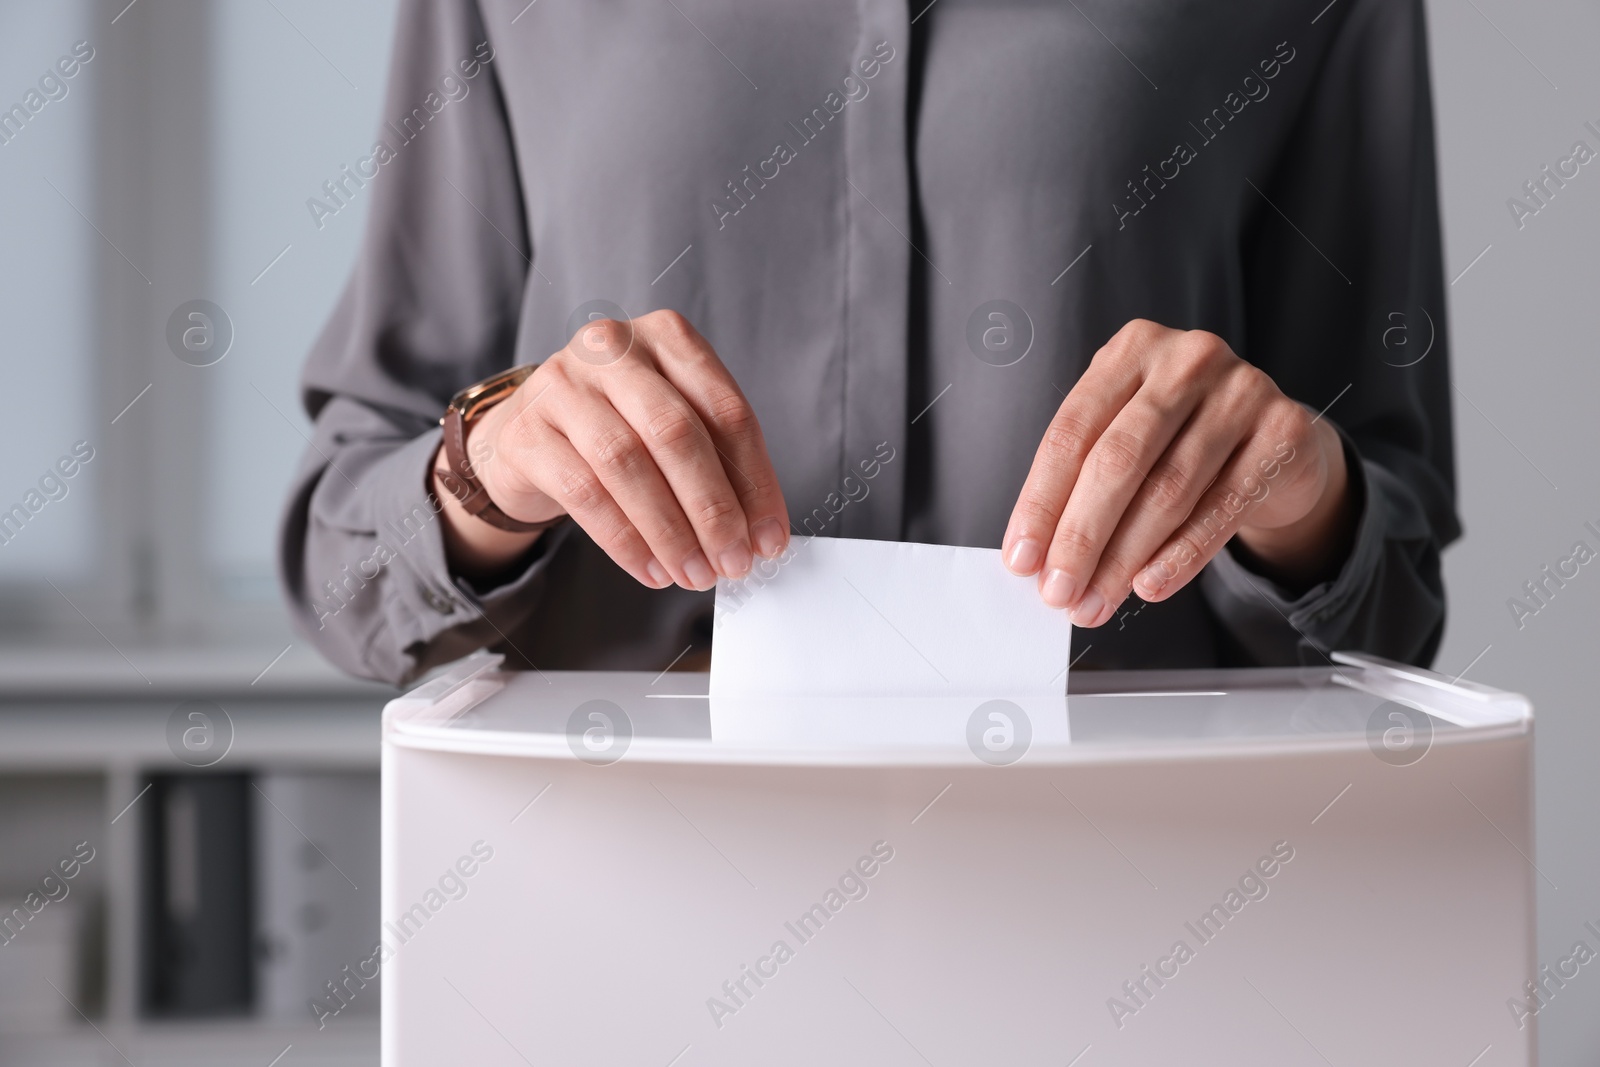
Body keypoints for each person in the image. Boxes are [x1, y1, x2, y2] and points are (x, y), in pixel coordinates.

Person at [280, 0, 1456, 687]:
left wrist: (1298, 495)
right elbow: (343, 579)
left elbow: (1392, 607)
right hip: (622, 912)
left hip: (1122, 909)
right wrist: (491, 468)